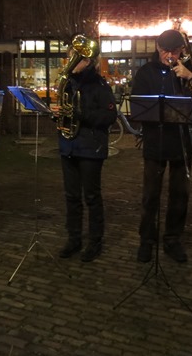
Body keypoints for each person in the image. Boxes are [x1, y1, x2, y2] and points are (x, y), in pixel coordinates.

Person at [131, 29, 192, 263]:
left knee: (179, 196)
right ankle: (146, 241)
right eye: (164, 50)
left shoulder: (190, 72)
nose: (169, 55)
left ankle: (173, 239)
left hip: (182, 142)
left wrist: (188, 77)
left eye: (174, 51)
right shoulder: (146, 72)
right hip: (156, 141)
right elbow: (138, 106)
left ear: (182, 51)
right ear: (157, 47)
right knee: (150, 195)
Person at [54, 39, 117, 262]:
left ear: (87, 61)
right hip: (68, 145)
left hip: (91, 147)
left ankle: (94, 241)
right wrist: (58, 113)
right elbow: (65, 112)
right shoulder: (67, 83)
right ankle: (74, 239)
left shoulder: (100, 86)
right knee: (71, 196)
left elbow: (109, 117)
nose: (70, 61)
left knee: (91, 196)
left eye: (74, 57)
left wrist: (80, 114)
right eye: (70, 56)